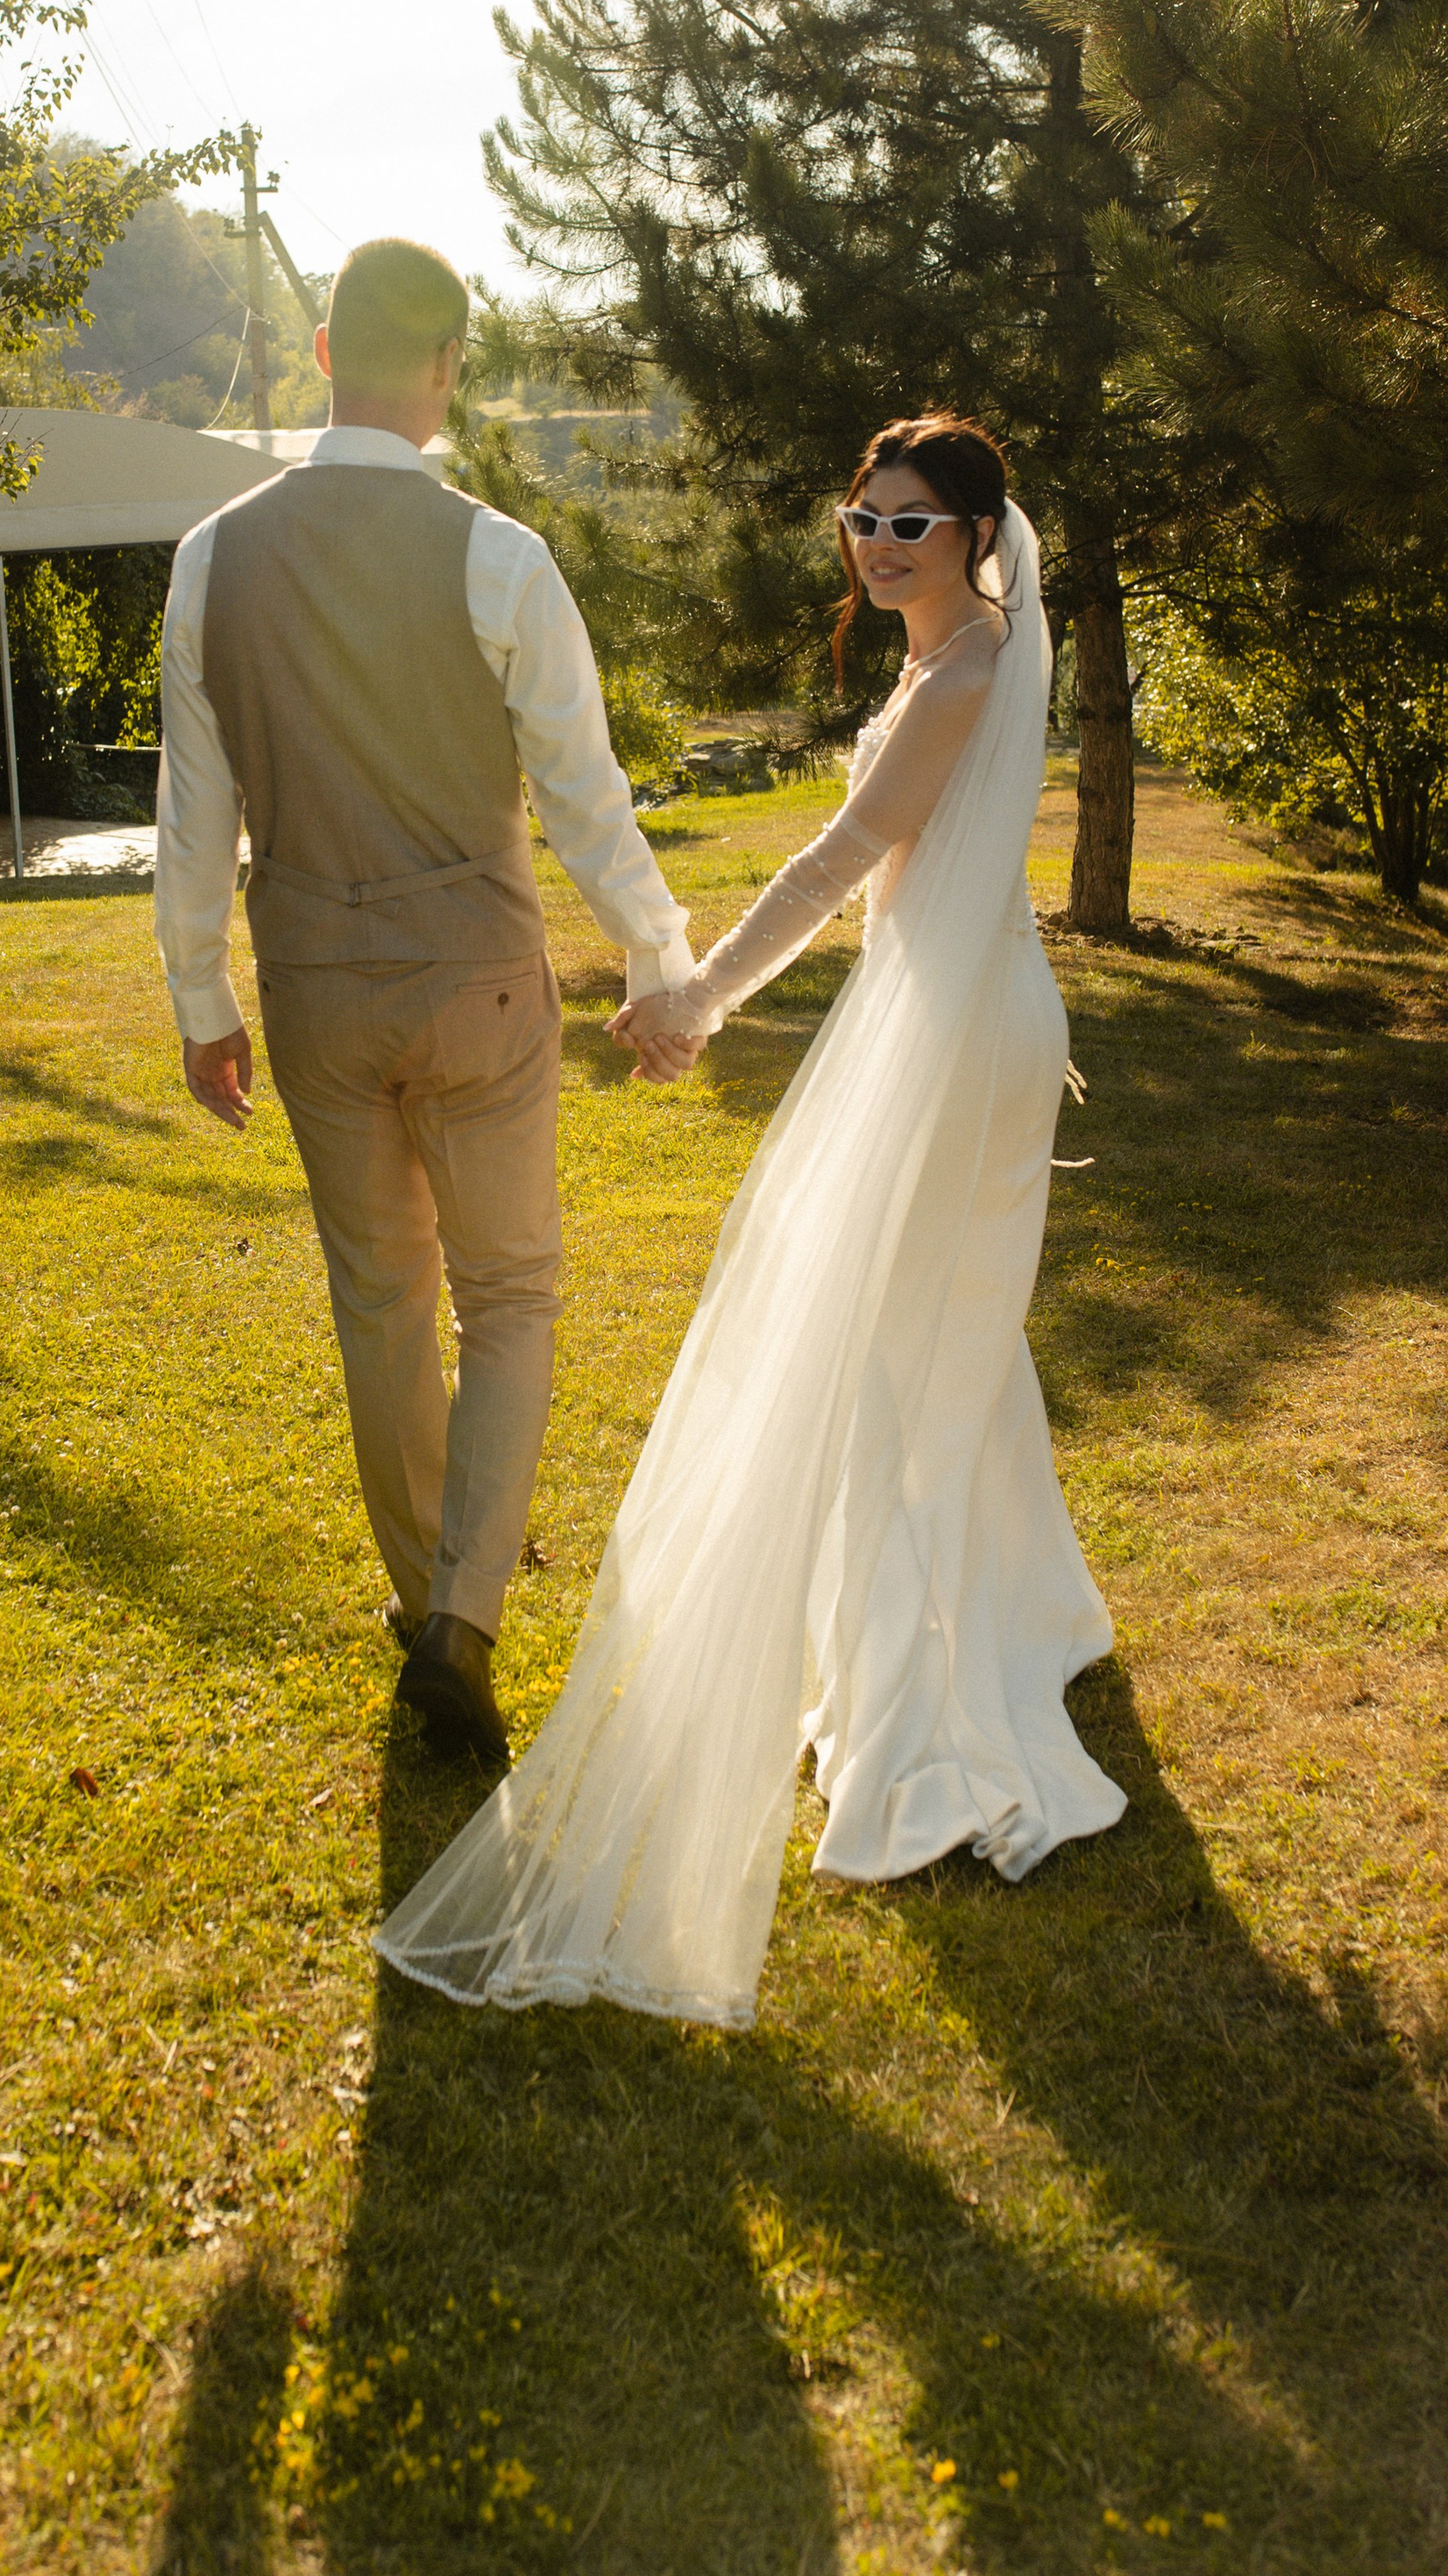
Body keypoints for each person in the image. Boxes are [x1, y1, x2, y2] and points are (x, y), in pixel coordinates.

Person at [375, 413, 1125, 2030]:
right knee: (945, 1340)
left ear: (980, 536)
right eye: (864, 516)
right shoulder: (945, 666)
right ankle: (1028, 1615)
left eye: (913, 524)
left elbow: (848, 851)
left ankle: (935, 1702)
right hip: (951, 1010)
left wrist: (701, 992)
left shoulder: (975, 670)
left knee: (894, 1351)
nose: (880, 543)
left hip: (964, 1032)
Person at [153, 235, 697, 1768]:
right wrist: (661, 969)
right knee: (509, 1294)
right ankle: (463, 1615)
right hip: (480, 986)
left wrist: (203, 999)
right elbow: (586, 798)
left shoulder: (213, 558)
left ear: (323, 353)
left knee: (382, 1298)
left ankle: (421, 1606)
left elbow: (195, 815)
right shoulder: (499, 555)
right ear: (451, 369)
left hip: (316, 989)